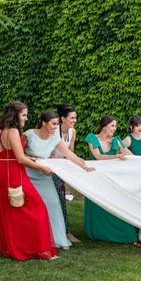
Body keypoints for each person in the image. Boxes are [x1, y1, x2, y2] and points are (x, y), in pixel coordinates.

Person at [0, 101, 58, 261]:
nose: (26, 118)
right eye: (23, 115)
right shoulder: (13, 131)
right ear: (15, 115)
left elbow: (8, 154)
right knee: (38, 208)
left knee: (10, 212)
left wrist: (31, 158)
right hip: (14, 173)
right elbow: (19, 159)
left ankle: (14, 246)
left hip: (1, 171)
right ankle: (38, 249)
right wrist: (41, 168)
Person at [25, 111, 94, 249]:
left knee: (54, 203)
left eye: (57, 124)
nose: (56, 127)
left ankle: (58, 239)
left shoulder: (54, 139)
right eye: (53, 124)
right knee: (31, 206)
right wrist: (29, 158)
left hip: (44, 176)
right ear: (44, 123)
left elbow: (69, 154)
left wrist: (84, 167)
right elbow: (19, 153)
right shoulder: (29, 134)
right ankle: (32, 238)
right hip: (28, 174)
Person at [84, 115, 140, 244]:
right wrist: (116, 156)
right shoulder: (92, 138)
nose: (115, 129)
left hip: (112, 179)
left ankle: (126, 235)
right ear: (104, 126)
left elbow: (129, 154)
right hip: (96, 179)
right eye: (112, 126)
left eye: (115, 126)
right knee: (98, 206)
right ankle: (98, 233)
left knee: (117, 204)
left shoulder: (116, 140)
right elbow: (98, 156)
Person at [51, 103, 80, 243]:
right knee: (55, 201)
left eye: (75, 118)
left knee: (61, 200)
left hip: (62, 169)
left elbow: (71, 153)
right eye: (72, 118)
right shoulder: (53, 131)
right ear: (63, 118)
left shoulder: (72, 132)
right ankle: (58, 232)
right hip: (50, 169)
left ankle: (66, 231)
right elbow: (49, 154)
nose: (74, 120)